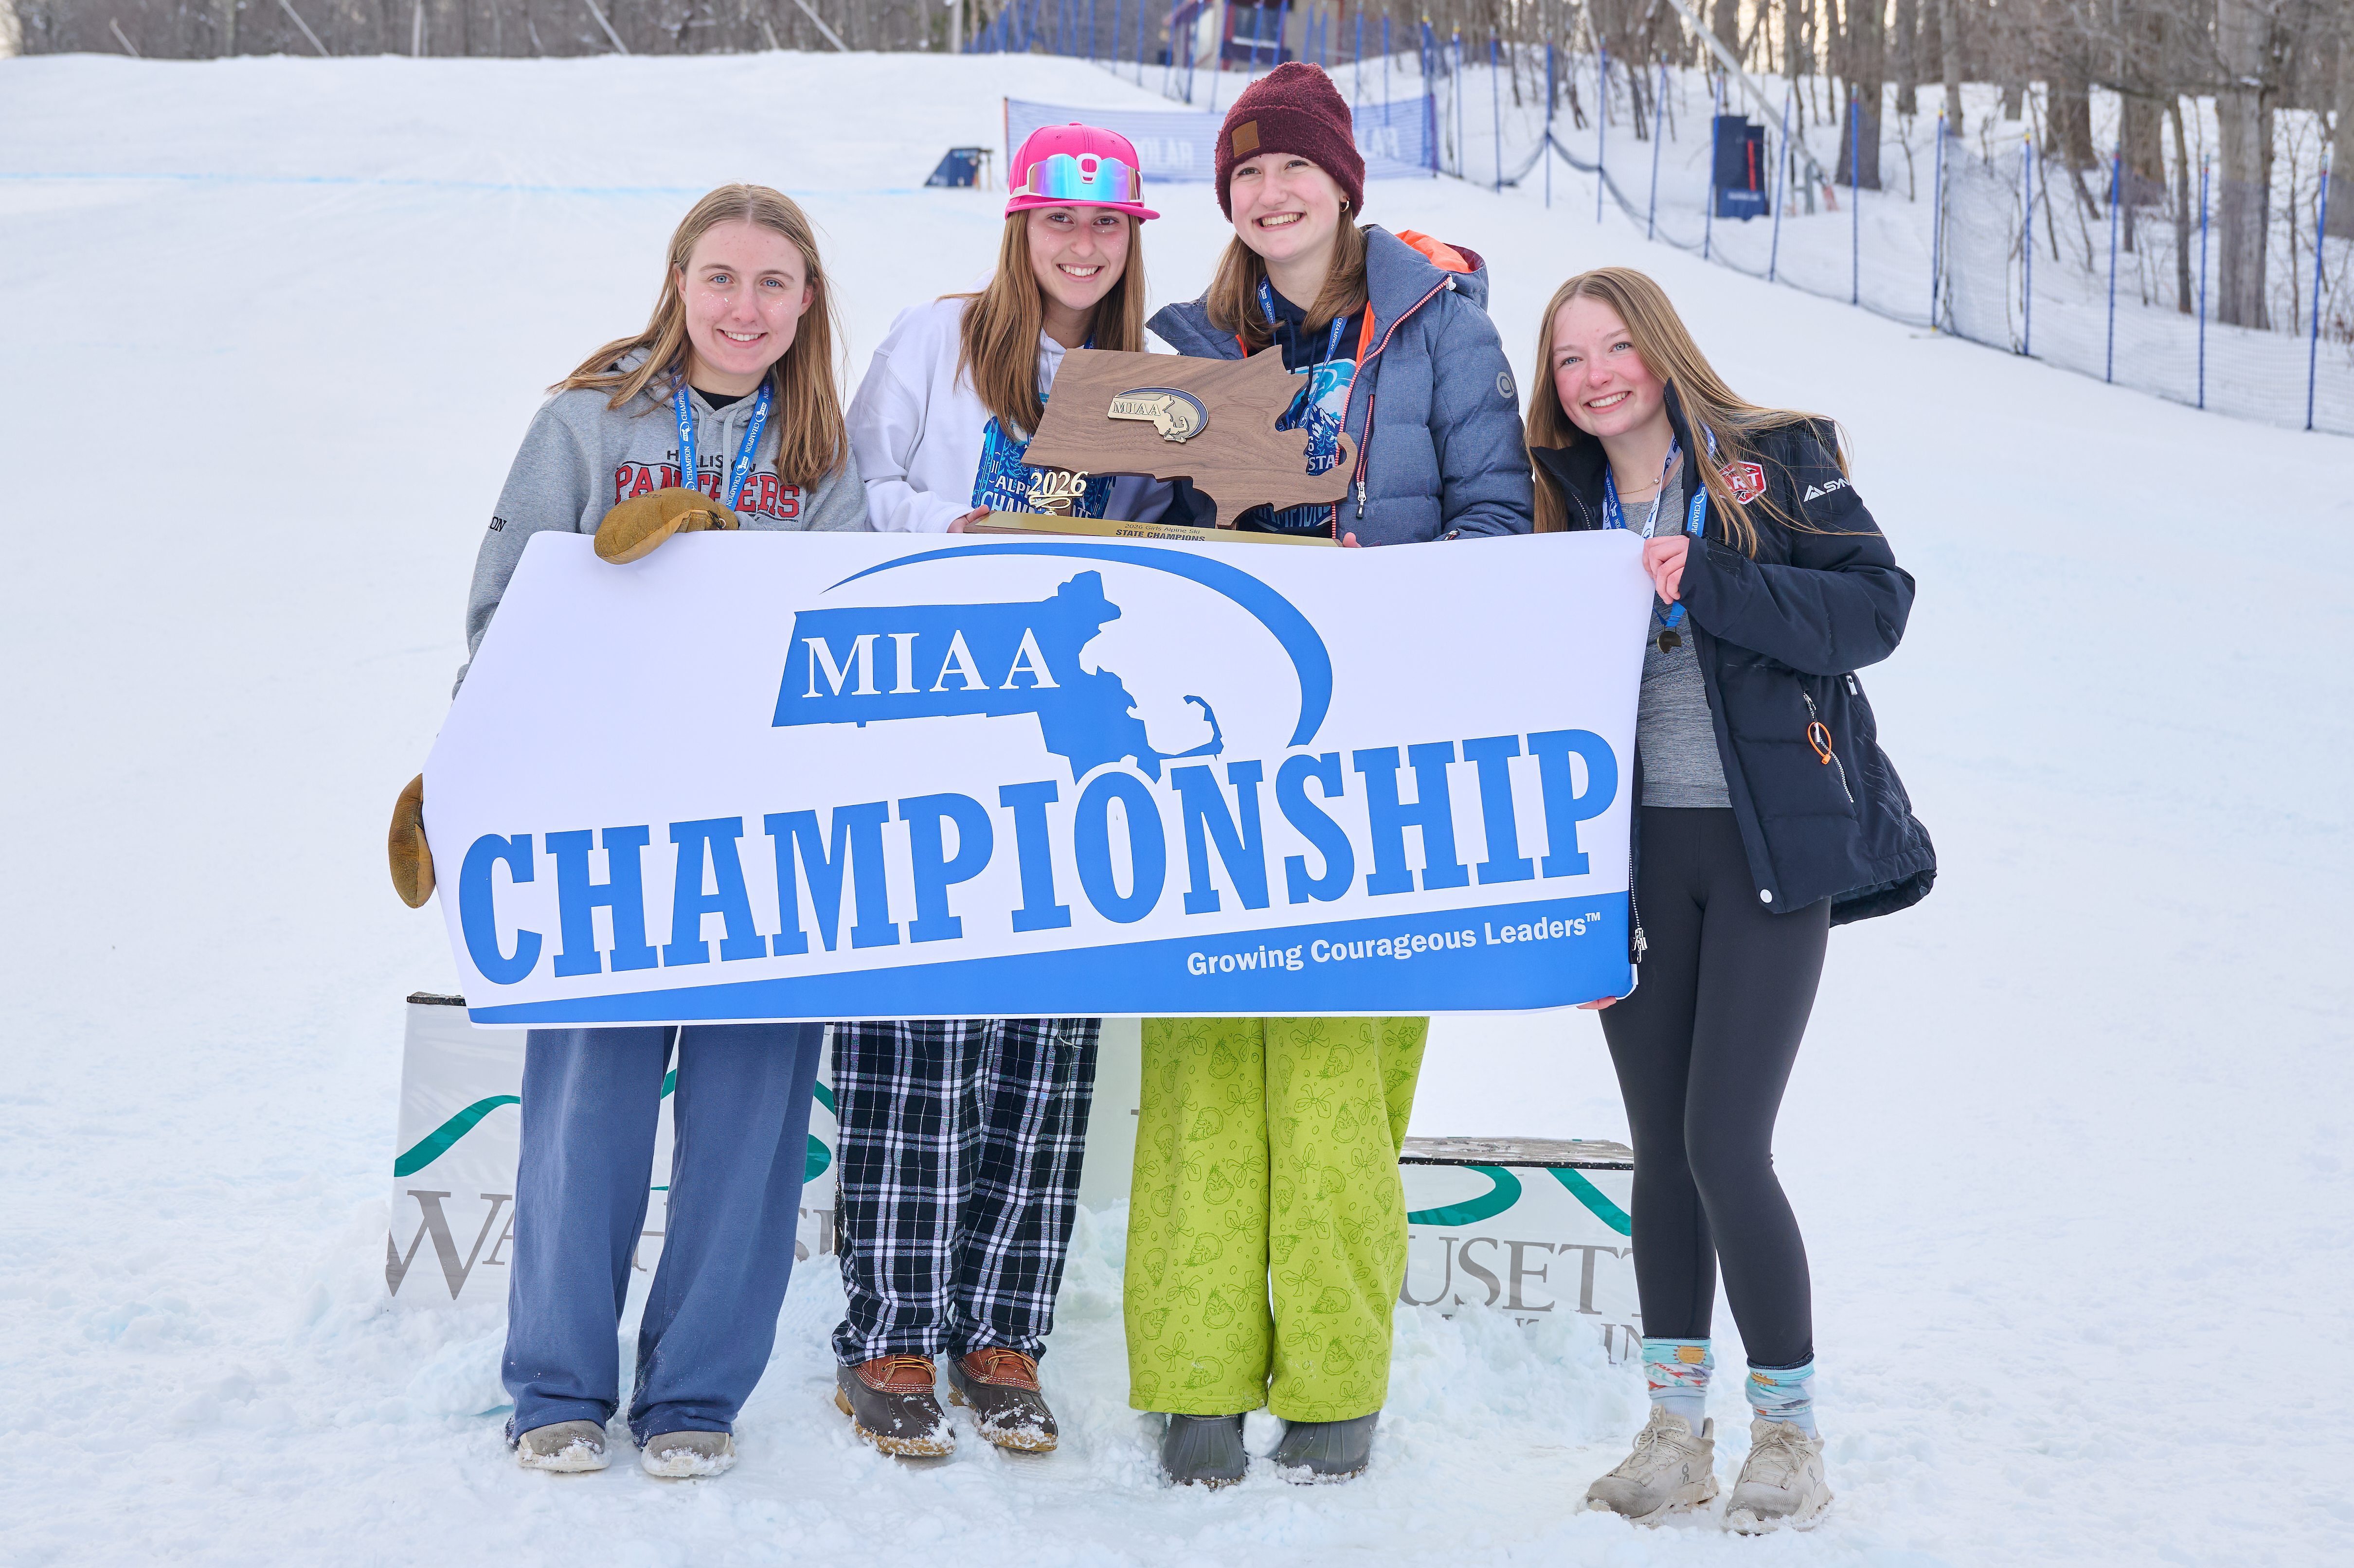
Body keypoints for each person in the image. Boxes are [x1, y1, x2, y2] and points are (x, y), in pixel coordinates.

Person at [387, 183, 866, 1479]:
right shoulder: (586, 419)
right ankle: (555, 1387)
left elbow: (846, 641)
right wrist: (474, 773)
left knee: (750, 1123)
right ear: (676, 283)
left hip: (766, 843)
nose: (744, 307)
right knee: (586, 1108)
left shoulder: (824, 444)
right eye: (720, 278)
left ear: (807, 300)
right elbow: (504, 612)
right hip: (604, 830)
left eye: (774, 284)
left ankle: (695, 1398)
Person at [1125, 62, 1534, 1489]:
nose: (1269, 194)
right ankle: (1191, 1381)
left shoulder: (1439, 329)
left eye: (1291, 169)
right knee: (1200, 1066)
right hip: (1215, 756)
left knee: (1337, 1068)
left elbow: (1497, 516)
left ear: (1344, 181)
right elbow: (1136, 535)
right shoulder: (1192, 339)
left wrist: (1390, 612)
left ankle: (1336, 1382)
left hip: (1378, 757)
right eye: (1244, 176)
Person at [1526, 266, 1935, 1532]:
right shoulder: (1556, 502)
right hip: (1634, 863)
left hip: (1765, 856)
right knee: (1662, 1155)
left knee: (1725, 1144)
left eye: (1613, 349)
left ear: (1658, 349)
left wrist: (1703, 576)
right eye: (1570, 358)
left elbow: (1875, 611)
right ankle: (1672, 1433)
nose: (1595, 377)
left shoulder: (1768, 457)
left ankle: (1790, 1440)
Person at [824, 122, 1165, 1460]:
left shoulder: (1152, 374)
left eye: (1107, 227)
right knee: (922, 1031)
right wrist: (955, 532)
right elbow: (856, 486)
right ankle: (893, 1327)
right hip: (937, 715)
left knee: (1049, 1039)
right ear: (1019, 228)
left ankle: (1002, 1326)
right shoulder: (939, 337)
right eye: (1058, 224)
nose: (1082, 247)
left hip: (1078, 736)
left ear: (1133, 236)